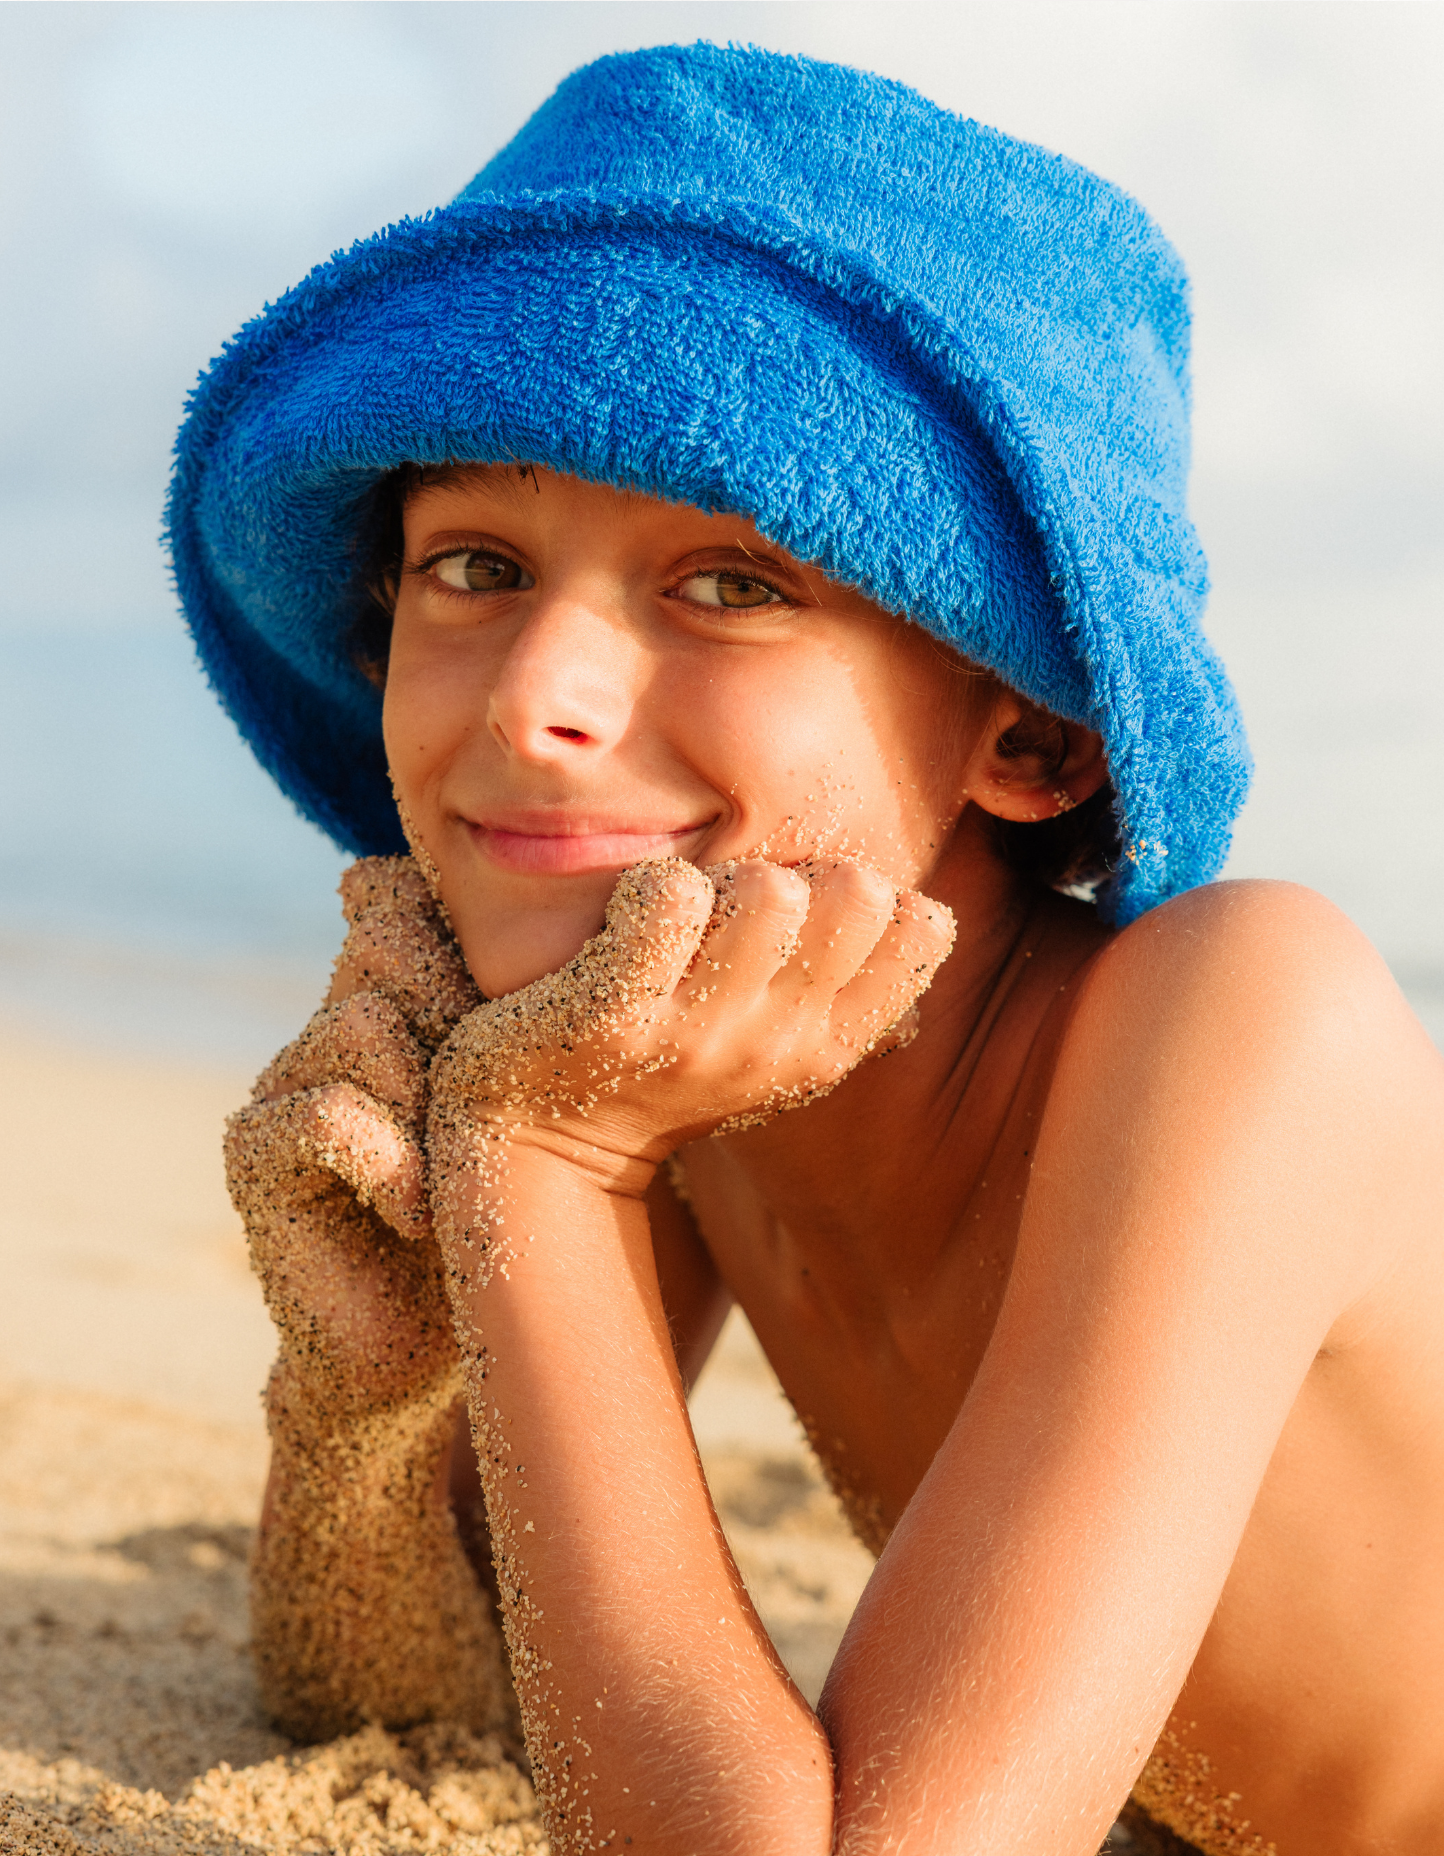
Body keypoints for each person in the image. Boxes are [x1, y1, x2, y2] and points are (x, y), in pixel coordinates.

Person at [171, 44, 1444, 1856]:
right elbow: (401, 1704)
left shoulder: (1248, 1024)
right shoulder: (685, 1046)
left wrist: (542, 1165)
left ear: (1035, 741)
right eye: (474, 568)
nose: (538, 701)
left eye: (734, 588)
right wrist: (361, 1399)